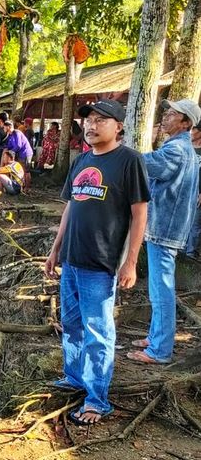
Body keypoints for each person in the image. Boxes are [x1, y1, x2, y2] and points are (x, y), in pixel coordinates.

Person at [45, 99, 150, 425]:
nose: (91, 126)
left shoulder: (129, 161)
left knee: (98, 332)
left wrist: (130, 261)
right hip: (72, 261)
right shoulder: (81, 160)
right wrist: (55, 248)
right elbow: (70, 207)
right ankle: (74, 377)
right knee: (72, 325)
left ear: (118, 126)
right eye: (88, 120)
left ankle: (97, 400)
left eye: (101, 120)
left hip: (100, 264)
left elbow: (139, 212)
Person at [127, 99, 201, 365]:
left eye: (172, 114)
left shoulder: (177, 150)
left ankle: (159, 350)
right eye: (167, 112)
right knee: (159, 287)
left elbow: (148, 164)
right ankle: (157, 336)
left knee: (161, 288)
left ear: (185, 123)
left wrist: (121, 153)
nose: (166, 116)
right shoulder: (182, 148)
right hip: (167, 226)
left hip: (164, 228)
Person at [185, 120, 201, 258]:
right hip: (184, 190)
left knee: (195, 224)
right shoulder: (186, 147)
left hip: (198, 193)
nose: (191, 132)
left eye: (194, 129)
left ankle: (190, 253)